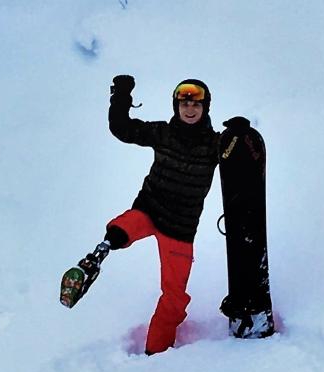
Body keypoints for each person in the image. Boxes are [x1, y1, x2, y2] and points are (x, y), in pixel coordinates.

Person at [60, 75, 221, 355]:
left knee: (174, 298)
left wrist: (242, 136)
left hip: (180, 230)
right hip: (149, 210)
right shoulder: (163, 133)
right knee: (123, 228)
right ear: (176, 107)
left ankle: (155, 355)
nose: (190, 109)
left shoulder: (215, 146)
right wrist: (121, 95)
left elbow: (242, 156)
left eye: (196, 104)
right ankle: (98, 254)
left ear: (206, 107)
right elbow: (121, 128)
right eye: (184, 104)